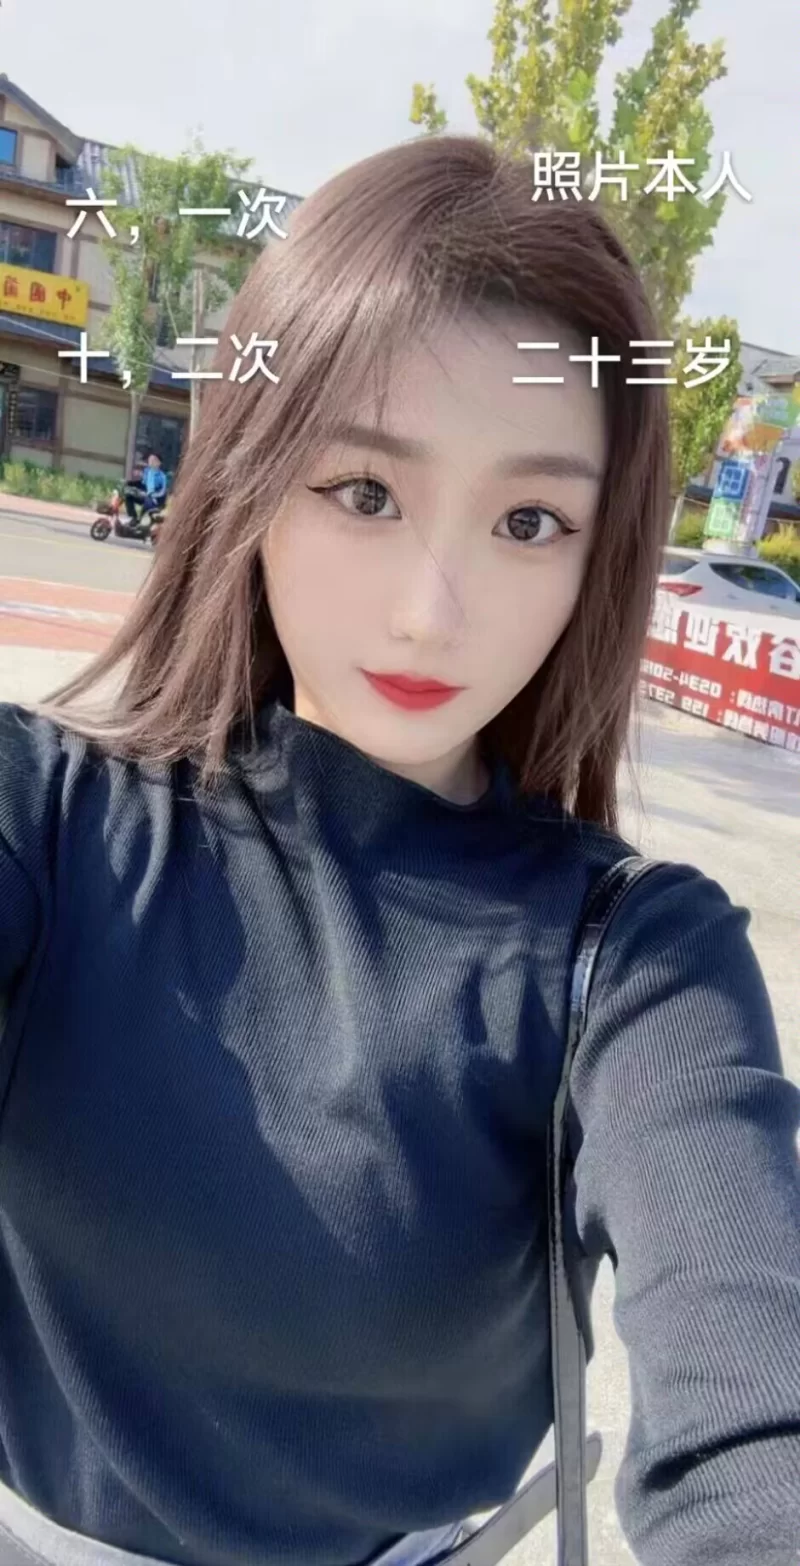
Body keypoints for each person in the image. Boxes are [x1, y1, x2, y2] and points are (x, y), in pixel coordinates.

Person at [0, 134, 798, 1566]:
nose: (434, 611)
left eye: (529, 520)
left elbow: (755, 1413)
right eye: (366, 491)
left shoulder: (634, 962)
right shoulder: (49, 823)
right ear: (252, 475)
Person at [123, 450, 167, 528]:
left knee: (147, 501)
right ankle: (134, 518)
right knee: (128, 496)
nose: (151, 462)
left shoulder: (161, 476)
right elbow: (142, 484)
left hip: (156, 501)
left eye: (154, 460)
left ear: (159, 463)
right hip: (146, 497)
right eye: (150, 460)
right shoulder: (147, 472)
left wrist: (150, 495)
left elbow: (162, 492)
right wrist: (130, 483)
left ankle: (140, 522)